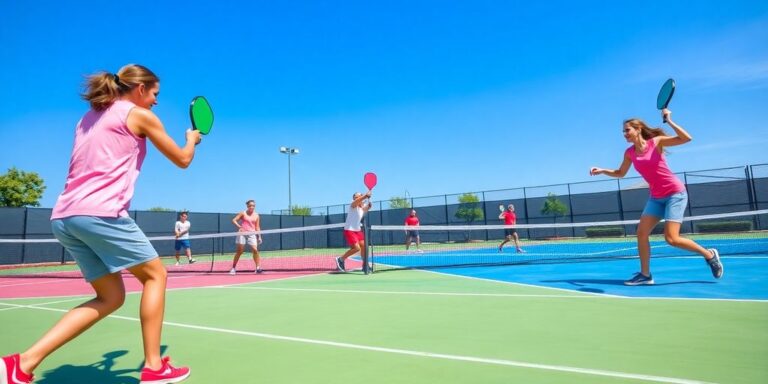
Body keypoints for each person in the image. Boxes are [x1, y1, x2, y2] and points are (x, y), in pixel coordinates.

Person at [0, 64, 197, 384]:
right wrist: (191, 139)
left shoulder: (89, 117)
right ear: (140, 89)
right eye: (155, 94)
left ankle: (21, 364)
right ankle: (153, 366)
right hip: (100, 213)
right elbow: (183, 160)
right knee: (156, 276)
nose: (157, 102)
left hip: (65, 217)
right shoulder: (138, 114)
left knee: (111, 297)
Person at [589, 109, 723, 286]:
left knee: (671, 239)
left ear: (638, 130)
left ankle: (709, 255)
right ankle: (645, 275)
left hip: (675, 193)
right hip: (656, 197)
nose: (624, 134)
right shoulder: (629, 153)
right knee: (641, 233)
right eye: (623, 131)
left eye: (627, 130)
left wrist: (670, 120)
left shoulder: (656, 142)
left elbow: (686, 138)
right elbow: (621, 173)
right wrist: (603, 170)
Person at [335, 191, 372, 272]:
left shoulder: (361, 208)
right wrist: (366, 196)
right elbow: (358, 201)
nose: (357, 198)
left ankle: (365, 264)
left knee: (364, 246)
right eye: (356, 197)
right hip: (349, 230)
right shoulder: (353, 204)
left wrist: (369, 206)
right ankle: (341, 259)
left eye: (359, 196)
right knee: (356, 248)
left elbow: (366, 209)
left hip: (358, 230)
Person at [230, 200, 263, 275]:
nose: (252, 207)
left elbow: (257, 227)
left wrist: (259, 236)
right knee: (239, 251)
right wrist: (239, 226)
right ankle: (233, 268)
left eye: (253, 205)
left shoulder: (257, 215)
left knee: (255, 250)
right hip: (242, 233)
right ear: (247, 206)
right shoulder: (243, 213)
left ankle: (257, 268)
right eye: (250, 205)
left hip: (252, 234)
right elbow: (234, 220)